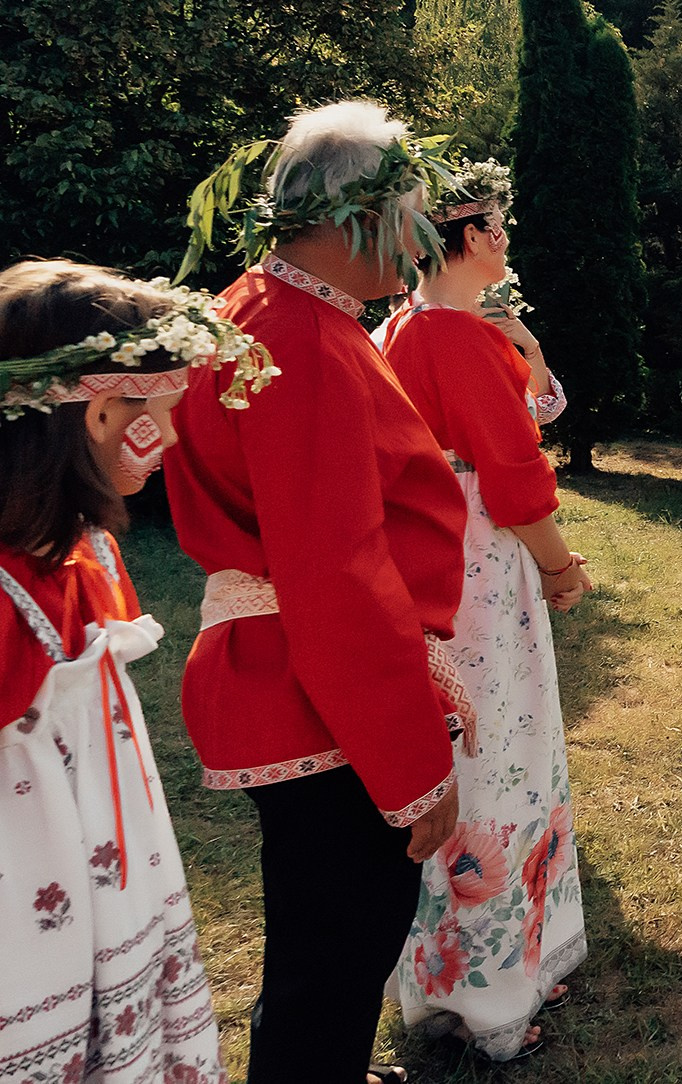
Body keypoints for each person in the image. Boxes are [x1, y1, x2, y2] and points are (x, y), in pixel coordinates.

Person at [166, 101, 472, 1084]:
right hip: (319, 695)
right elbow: (338, 572)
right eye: (412, 217)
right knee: (336, 945)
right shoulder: (297, 339)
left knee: (323, 942)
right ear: (355, 218)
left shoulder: (265, 310)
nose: (422, 243)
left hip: (298, 683)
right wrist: (413, 764)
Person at [0, 262, 261, 1084]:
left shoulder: (90, 551)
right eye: (162, 416)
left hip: (106, 868)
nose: (175, 440)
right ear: (104, 411)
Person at [375, 162, 590, 1059]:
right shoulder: (454, 335)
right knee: (498, 745)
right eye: (498, 226)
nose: (507, 240)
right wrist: (559, 565)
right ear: (471, 239)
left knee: (458, 747)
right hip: (482, 569)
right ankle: (492, 996)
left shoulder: (396, 327)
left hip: (430, 561)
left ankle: (443, 976)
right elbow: (512, 476)